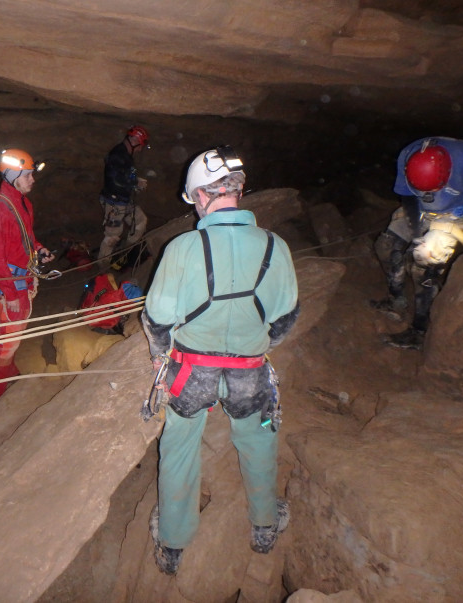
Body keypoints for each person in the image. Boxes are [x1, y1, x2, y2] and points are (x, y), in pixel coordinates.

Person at [141, 146, 300, 575]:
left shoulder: (183, 248)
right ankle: (265, 525)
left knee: (178, 448)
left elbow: (157, 320)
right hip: (249, 371)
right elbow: (284, 320)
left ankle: (173, 543)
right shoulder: (275, 247)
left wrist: (163, 355)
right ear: (239, 191)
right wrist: (252, 343)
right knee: (258, 439)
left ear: (198, 196)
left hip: (192, 372)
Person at [371, 137, 463, 350]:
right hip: (418, 210)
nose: (429, 195)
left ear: (447, 175)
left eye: (433, 190)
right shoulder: (408, 155)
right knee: (386, 247)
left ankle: (419, 331)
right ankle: (396, 301)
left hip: (453, 214)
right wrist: (417, 231)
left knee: (424, 265)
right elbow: (408, 197)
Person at [0, 148, 54, 405]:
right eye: (28, 175)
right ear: (13, 175)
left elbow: (26, 235)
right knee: (8, 338)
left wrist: (39, 249)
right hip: (11, 282)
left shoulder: (21, 201)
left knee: (15, 333)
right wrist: (9, 294)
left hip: (22, 277)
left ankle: (7, 371)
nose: (33, 179)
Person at [97, 125, 150, 268]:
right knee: (112, 236)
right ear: (134, 141)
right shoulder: (117, 155)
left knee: (140, 221)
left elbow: (122, 176)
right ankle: (102, 267)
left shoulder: (126, 156)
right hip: (114, 202)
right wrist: (135, 182)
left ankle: (125, 252)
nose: (140, 149)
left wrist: (134, 182)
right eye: (141, 146)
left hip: (124, 201)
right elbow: (115, 179)